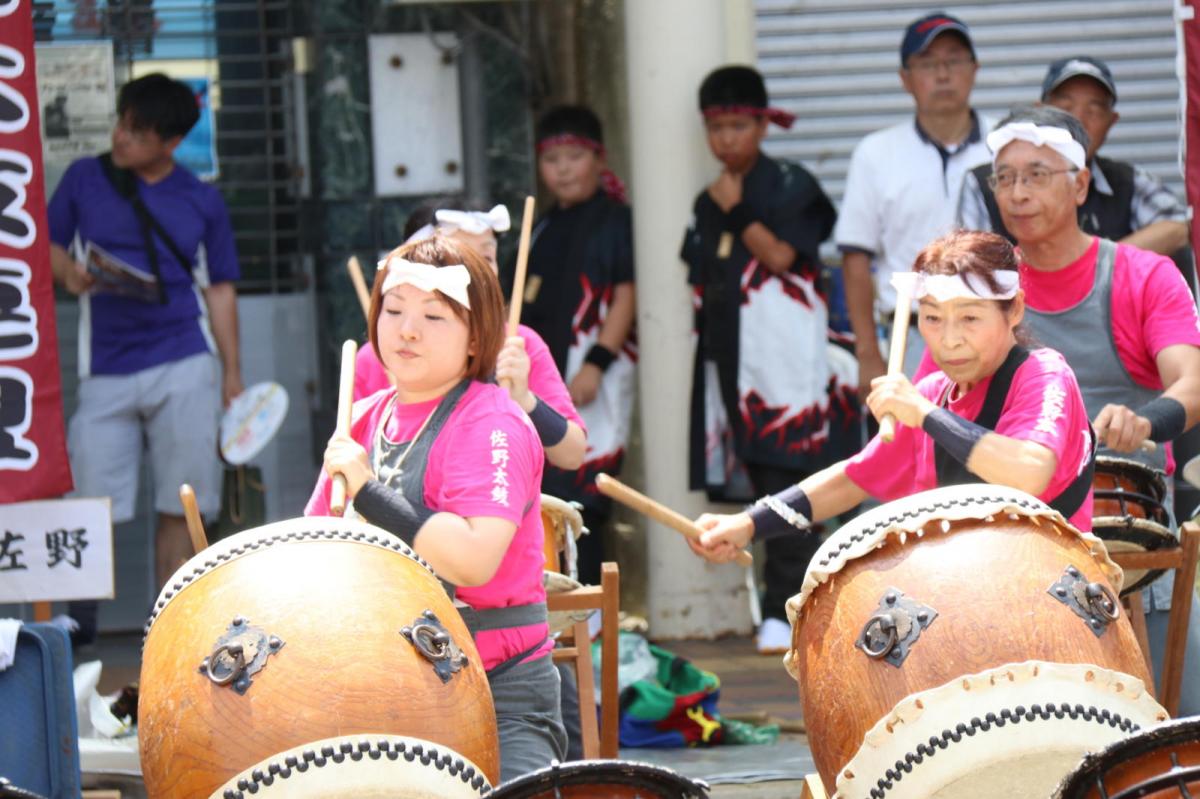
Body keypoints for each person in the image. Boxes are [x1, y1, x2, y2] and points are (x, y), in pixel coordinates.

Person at [306, 236, 567, 780]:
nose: (406, 329)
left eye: (433, 316)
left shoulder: (493, 422)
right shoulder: (361, 417)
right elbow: (313, 549)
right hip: (382, 684)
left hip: (496, 688)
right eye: (393, 310)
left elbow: (472, 558)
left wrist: (369, 494)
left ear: (477, 339)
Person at [690, 229, 1096, 571]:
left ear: (1015, 311)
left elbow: (1029, 471)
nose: (949, 339)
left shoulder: (1043, 374)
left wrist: (924, 414)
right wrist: (747, 524)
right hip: (960, 590)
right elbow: (854, 478)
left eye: (970, 318)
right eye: (933, 318)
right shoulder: (933, 394)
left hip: (1046, 585)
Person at [985, 105, 1200, 714]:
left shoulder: (1143, 274)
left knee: (1178, 745)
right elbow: (931, 407)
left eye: (1037, 174)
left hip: (1131, 554)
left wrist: (1147, 421)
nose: (1018, 193)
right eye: (1004, 177)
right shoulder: (981, 291)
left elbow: (1193, 380)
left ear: (1080, 183)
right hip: (1013, 559)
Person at [47, 73, 243, 608]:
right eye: (121, 123)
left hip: (184, 360)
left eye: (137, 131)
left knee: (181, 502)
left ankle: (171, 628)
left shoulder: (200, 199)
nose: (120, 137)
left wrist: (231, 372)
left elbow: (220, 289)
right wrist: (70, 275)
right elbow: (48, 246)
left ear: (171, 143)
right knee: (89, 505)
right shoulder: (84, 178)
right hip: (104, 369)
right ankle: (77, 629)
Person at [681, 64, 843, 654]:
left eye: (739, 125)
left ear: (762, 124)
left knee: (790, 475)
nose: (727, 139)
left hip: (785, 365)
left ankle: (784, 609)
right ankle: (773, 607)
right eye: (717, 127)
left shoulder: (792, 185)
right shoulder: (707, 201)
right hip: (729, 360)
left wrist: (739, 211)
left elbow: (781, 257)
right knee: (752, 478)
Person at [354, 200, 588, 472]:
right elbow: (349, 468)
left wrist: (525, 400)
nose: (480, 271)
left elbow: (572, 454)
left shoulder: (517, 345)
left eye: (487, 258)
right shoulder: (380, 356)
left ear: (476, 346)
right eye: (463, 255)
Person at [509, 105, 636, 588]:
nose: (563, 168)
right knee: (548, 495)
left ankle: (596, 614)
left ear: (599, 159)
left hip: (591, 377)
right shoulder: (540, 228)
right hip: (541, 384)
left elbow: (626, 293)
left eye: (575, 155)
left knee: (587, 497)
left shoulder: (615, 221)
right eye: (552, 158)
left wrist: (596, 363)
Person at [836, 12, 993, 388]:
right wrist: (868, 353)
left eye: (954, 60)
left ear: (974, 69)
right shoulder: (875, 153)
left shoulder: (1006, 143)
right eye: (927, 63)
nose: (943, 74)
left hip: (995, 335)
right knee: (910, 444)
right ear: (905, 79)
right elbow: (856, 260)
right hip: (910, 339)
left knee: (993, 445)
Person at [960, 56, 1190, 258]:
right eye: (1065, 106)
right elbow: (967, 260)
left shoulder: (1125, 180)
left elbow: (1179, 225)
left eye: (1093, 110)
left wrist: (1103, 267)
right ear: (1041, 110)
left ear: (1080, 184)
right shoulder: (982, 181)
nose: (1078, 120)